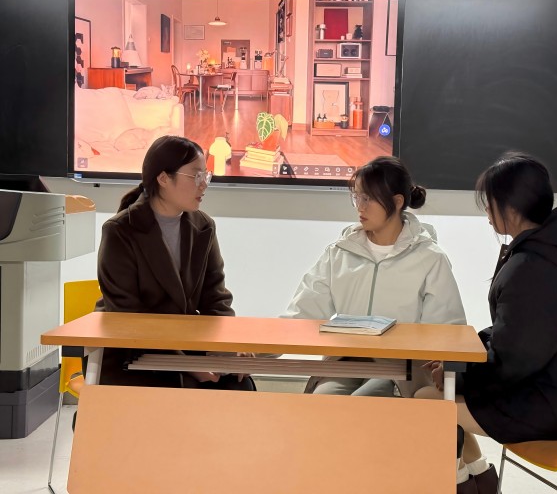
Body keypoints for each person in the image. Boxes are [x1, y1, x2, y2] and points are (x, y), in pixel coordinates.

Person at [416, 152, 557, 494]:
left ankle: (462, 485)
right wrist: (459, 363)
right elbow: (518, 334)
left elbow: (514, 360)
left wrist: (458, 373)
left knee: (425, 401)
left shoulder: (532, 267)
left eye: (489, 203)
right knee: (438, 390)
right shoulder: (552, 251)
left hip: (552, 404)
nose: (487, 213)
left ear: (509, 208)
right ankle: (477, 480)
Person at [284, 156, 466, 397]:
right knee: (322, 400)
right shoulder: (339, 252)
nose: (360, 206)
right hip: (345, 360)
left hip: (401, 368)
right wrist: (256, 352)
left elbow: (449, 329)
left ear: (397, 202)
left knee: (362, 402)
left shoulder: (430, 258)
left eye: (368, 198)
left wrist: (444, 365)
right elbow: (302, 312)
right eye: (357, 197)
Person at [95, 135, 254, 390]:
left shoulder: (204, 226)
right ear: (163, 178)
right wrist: (187, 365)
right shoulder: (120, 231)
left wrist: (228, 346)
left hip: (185, 344)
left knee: (239, 384)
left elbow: (216, 299)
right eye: (196, 176)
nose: (204, 185)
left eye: (206, 176)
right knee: (180, 390)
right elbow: (128, 317)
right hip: (132, 351)